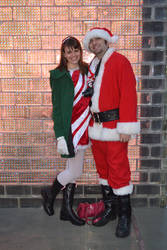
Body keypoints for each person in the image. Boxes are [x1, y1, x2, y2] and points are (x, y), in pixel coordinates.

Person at [83, 27, 140, 237]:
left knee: (118, 170)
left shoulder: (120, 61)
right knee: (103, 170)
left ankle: (125, 215)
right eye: (91, 41)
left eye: (99, 39)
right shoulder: (93, 64)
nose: (95, 43)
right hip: (96, 128)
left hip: (115, 128)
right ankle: (111, 210)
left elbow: (128, 93)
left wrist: (126, 126)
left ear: (107, 41)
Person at [41, 36, 91, 226]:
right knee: (75, 170)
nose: (73, 54)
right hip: (71, 129)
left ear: (80, 50)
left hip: (85, 125)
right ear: (63, 54)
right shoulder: (59, 75)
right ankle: (50, 192)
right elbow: (58, 108)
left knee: (73, 170)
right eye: (68, 51)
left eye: (76, 50)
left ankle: (66, 210)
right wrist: (60, 134)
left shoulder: (87, 70)